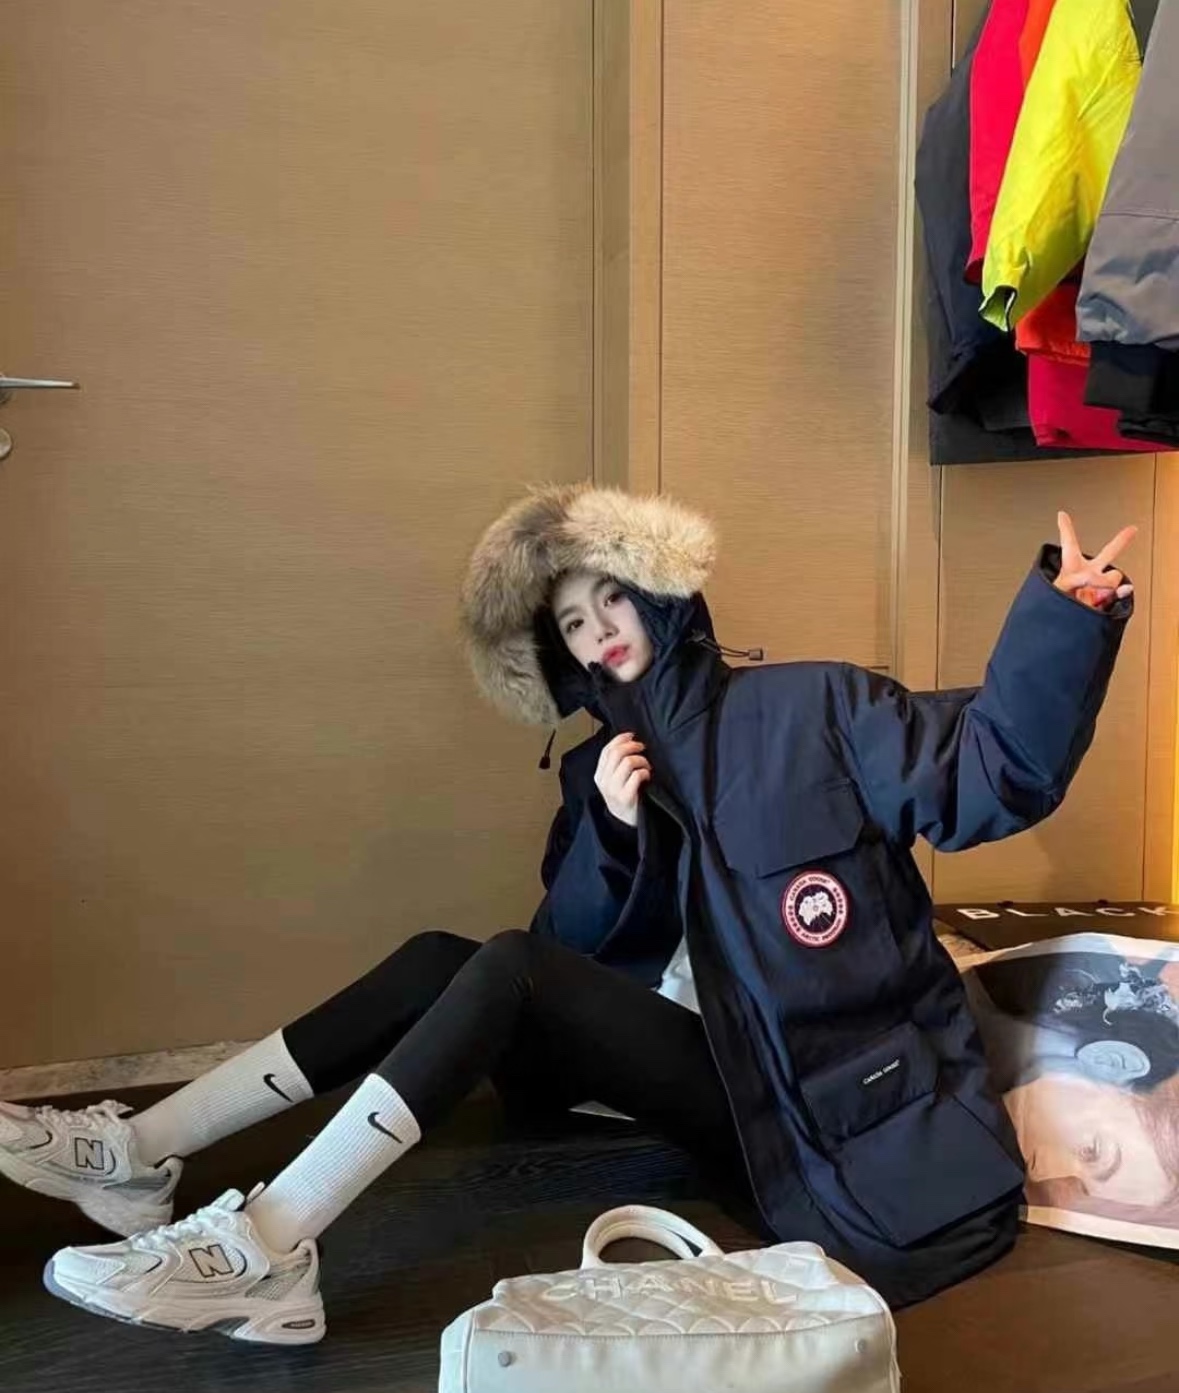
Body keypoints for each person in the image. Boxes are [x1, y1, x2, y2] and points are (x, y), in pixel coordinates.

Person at [0, 485, 1136, 1344]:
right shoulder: (597, 769)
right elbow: (572, 950)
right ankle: (138, 1149)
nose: (601, 633)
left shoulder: (813, 708)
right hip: (706, 1077)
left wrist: (1067, 619)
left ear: (658, 591)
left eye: (611, 599)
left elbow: (990, 774)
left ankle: (268, 1240)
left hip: (823, 1110)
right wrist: (612, 830)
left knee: (500, 963)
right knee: (451, 958)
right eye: (575, 625)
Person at [964, 947, 1179, 1227]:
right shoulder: (1060, 970)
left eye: (1077, 1185)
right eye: (1091, 1151)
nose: (1042, 1174)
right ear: (1112, 1061)